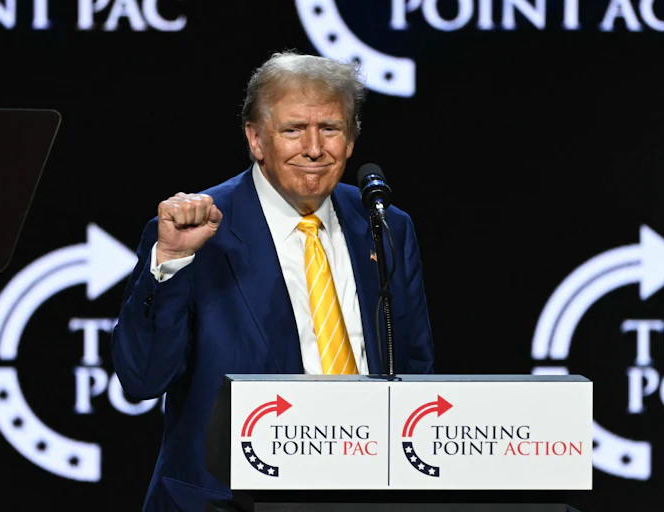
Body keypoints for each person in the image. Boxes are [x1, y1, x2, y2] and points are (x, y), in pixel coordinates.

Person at [112, 50, 435, 512]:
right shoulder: (198, 232)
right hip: (229, 502)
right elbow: (141, 378)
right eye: (292, 130)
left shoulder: (386, 225)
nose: (313, 147)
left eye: (330, 128)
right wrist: (171, 262)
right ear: (256, 139)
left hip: (365, 495)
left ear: (351, 140)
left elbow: (415, 366)